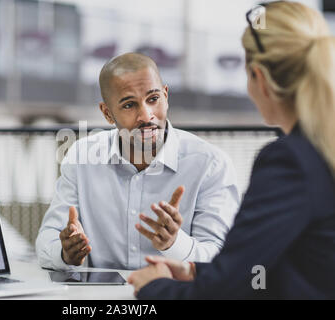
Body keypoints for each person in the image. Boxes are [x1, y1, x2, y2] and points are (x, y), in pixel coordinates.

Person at [128, 1, 335, 299]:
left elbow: (223, 292)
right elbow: (288, 263)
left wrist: (154, 287)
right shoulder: (320, 152)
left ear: (259, 79)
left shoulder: (290, 160)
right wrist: (197, 272)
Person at [35, 53, 240, 270]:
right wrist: (65, 253)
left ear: (166, 96)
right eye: (129, 105)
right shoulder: (82, 157)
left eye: (153, 99)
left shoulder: (210, 164)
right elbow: (47, 239)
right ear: (107, 113)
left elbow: (222, 258)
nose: (146, 115)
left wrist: (174, 243)